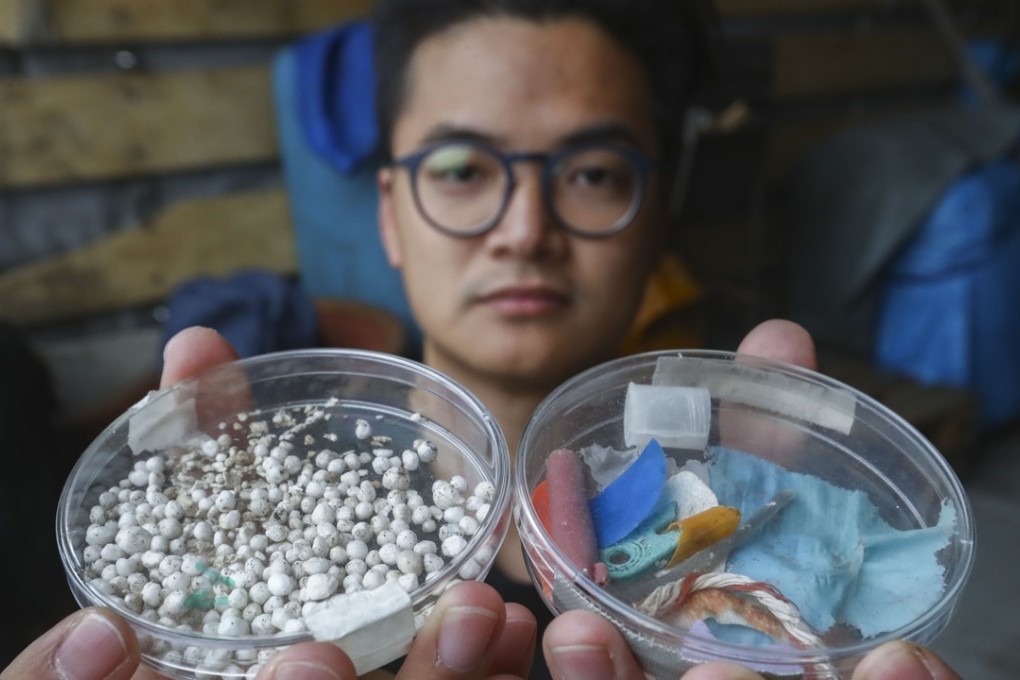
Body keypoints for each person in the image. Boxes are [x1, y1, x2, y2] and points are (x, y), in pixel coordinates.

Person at [2, 1, 967, 679]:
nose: (522, 229)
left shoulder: (733, 467)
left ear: (656, 211)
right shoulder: (281, 479)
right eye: (462, 168)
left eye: (591, 172)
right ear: (389, 212)